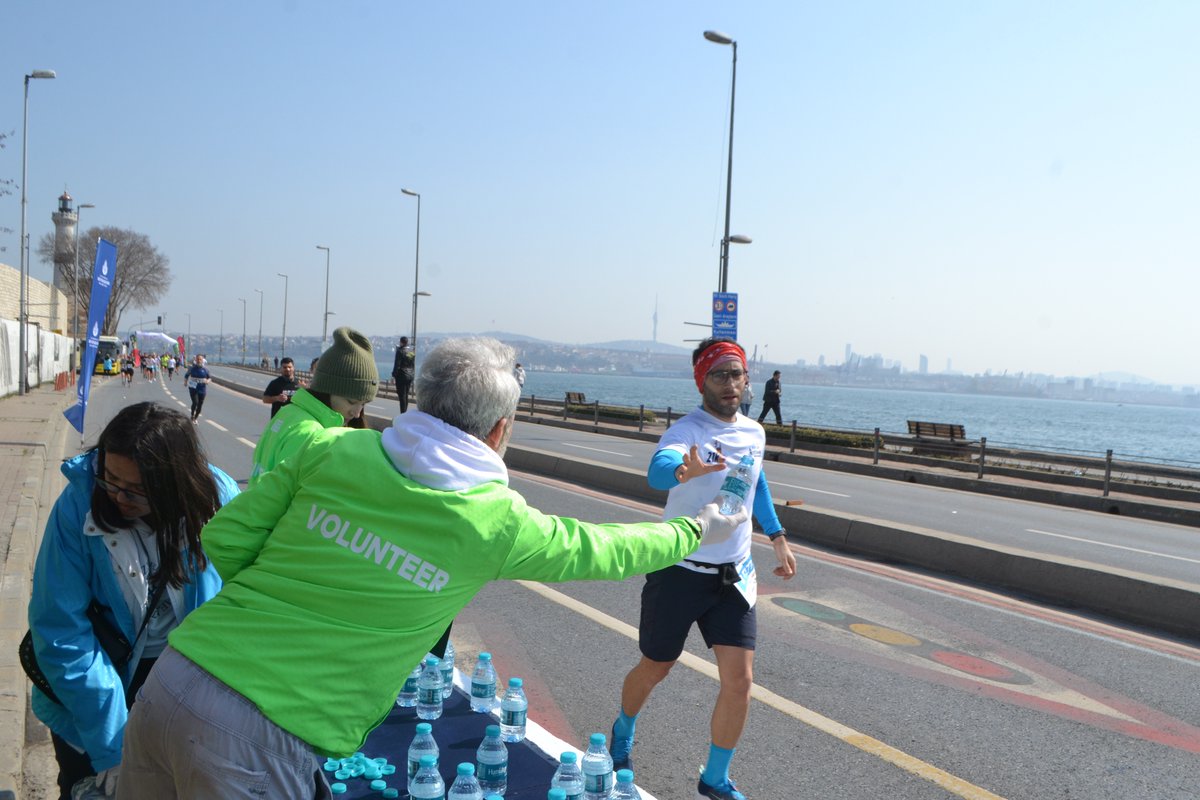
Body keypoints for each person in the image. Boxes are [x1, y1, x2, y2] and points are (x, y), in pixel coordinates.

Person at [119, 337, 746, 799]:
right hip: (265, 735)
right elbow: (606, 550)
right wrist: (698, 529)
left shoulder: (331, 448)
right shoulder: (491, 521)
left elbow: (225, 541)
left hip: (173, 680)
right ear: (500, 430)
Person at [608, 338, 796, 800]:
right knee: (656, 666)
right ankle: (623, 727)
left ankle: (714, 777)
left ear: (747, 378)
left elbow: (757, 483)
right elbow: (658, 469)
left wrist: (776, 536)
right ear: (701, 381)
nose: (730, 384)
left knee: (740, 681)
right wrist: (682, 472)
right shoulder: (687, 430)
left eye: (737, 374)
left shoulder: (755, 432)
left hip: (733, 575)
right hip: (679, 571)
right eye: (719, 375)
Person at [27, 402, 238, 800]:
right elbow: (60, 629)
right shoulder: (77, 506)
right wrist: (111, 747)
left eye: (137, 490)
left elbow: (241, 602)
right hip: (90, 686)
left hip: (180, 684)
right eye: (110, 478)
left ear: (174, 482)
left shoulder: (217, 499)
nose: (119, 496)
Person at [249, 328, 379, 486]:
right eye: (351, 402)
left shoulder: (289, 412)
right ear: (325, 390)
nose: (357, 413)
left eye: (363, 404)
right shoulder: (312, 435)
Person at [183, 355, 211, 423]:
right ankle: (192, 415)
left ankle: (195, 418)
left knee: (200, 404)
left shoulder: (206, 369)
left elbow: (209, 378)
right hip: (193, 388)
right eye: (197, 359)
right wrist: (185, 382)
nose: (199, 361)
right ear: (196, 360)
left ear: (202, 360)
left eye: (200, 359)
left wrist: (207, 381)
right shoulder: (192, 368)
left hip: (202, 389)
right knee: (195, 402)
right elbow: (186, 375)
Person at [391, 335, 416, 413]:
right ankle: (405, 412)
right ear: (407, 342)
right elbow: (412, 364)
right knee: (406, 395)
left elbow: (397, 365)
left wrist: (393, 375)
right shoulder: (411, 352)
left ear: (401, 342)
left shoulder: (400, 351)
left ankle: (403, 413)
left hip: (402, 376)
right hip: (410, 376)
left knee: (402, 396)